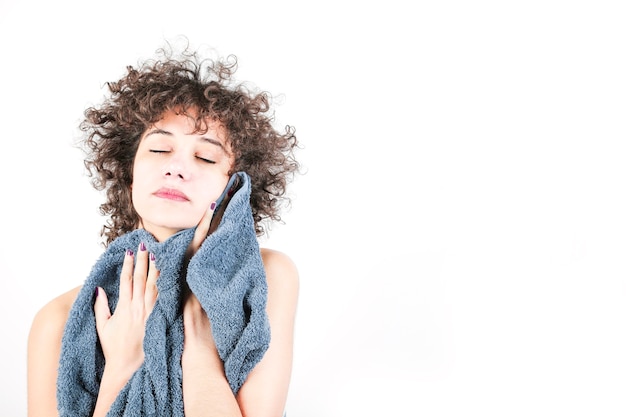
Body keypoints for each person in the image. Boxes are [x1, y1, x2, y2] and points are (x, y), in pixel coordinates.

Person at [27, 43, 300, 417]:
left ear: (234, 190)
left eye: (204, 156)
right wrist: (121, 365)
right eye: (159, 150)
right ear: (129, 179)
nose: (176, 168)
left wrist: (199, 340)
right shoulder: (56, 320)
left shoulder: (265, 278)